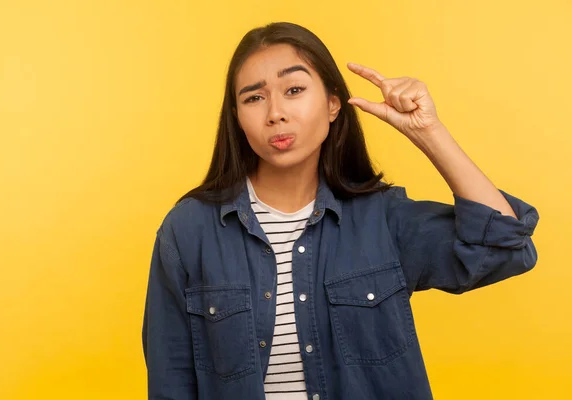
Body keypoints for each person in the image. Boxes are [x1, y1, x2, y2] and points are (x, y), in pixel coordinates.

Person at [141, 21, 539, 400]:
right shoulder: (188, 231)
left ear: (333, 104)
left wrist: (428, 131)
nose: (275, 112)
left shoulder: (382, 220)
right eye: (254, 97)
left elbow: (505, 247)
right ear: (237, 119)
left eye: (293, 90)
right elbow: (170, 380)